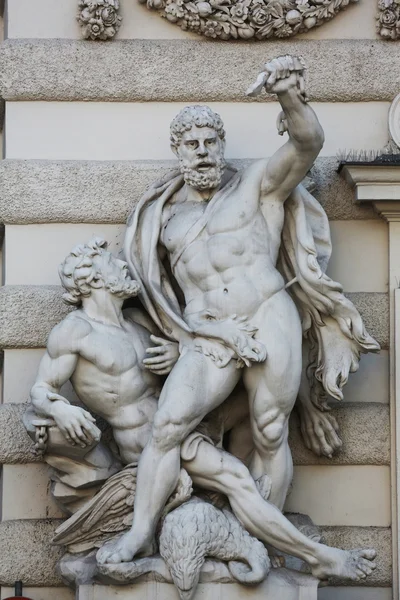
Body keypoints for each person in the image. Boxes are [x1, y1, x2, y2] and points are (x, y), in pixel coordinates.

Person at [101, 55, 379, 565]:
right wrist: (183, 337)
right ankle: (140, 532)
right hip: (210, 336)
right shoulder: (162, 219)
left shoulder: (257, 187)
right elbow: (159, 294)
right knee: (167, 427)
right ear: (177, 150)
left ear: (222, 145)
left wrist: (289, 95)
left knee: (271, 430)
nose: (203, 152)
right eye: (192, 144)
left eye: (211, 142)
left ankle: (261, 544)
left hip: (268, 316)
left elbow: (306, 144)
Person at [31, 237, 377, 583]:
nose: (123, 265)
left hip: (188, 428)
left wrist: (175, 352)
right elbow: (41, 389)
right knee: (238, 479)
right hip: (146, 442)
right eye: (112, 262)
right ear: (92, 279)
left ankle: (294, 550)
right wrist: (62, 411)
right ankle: (317, 557)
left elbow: (187, 343)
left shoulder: (137, 322)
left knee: (264, 408)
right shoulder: (75, 332)